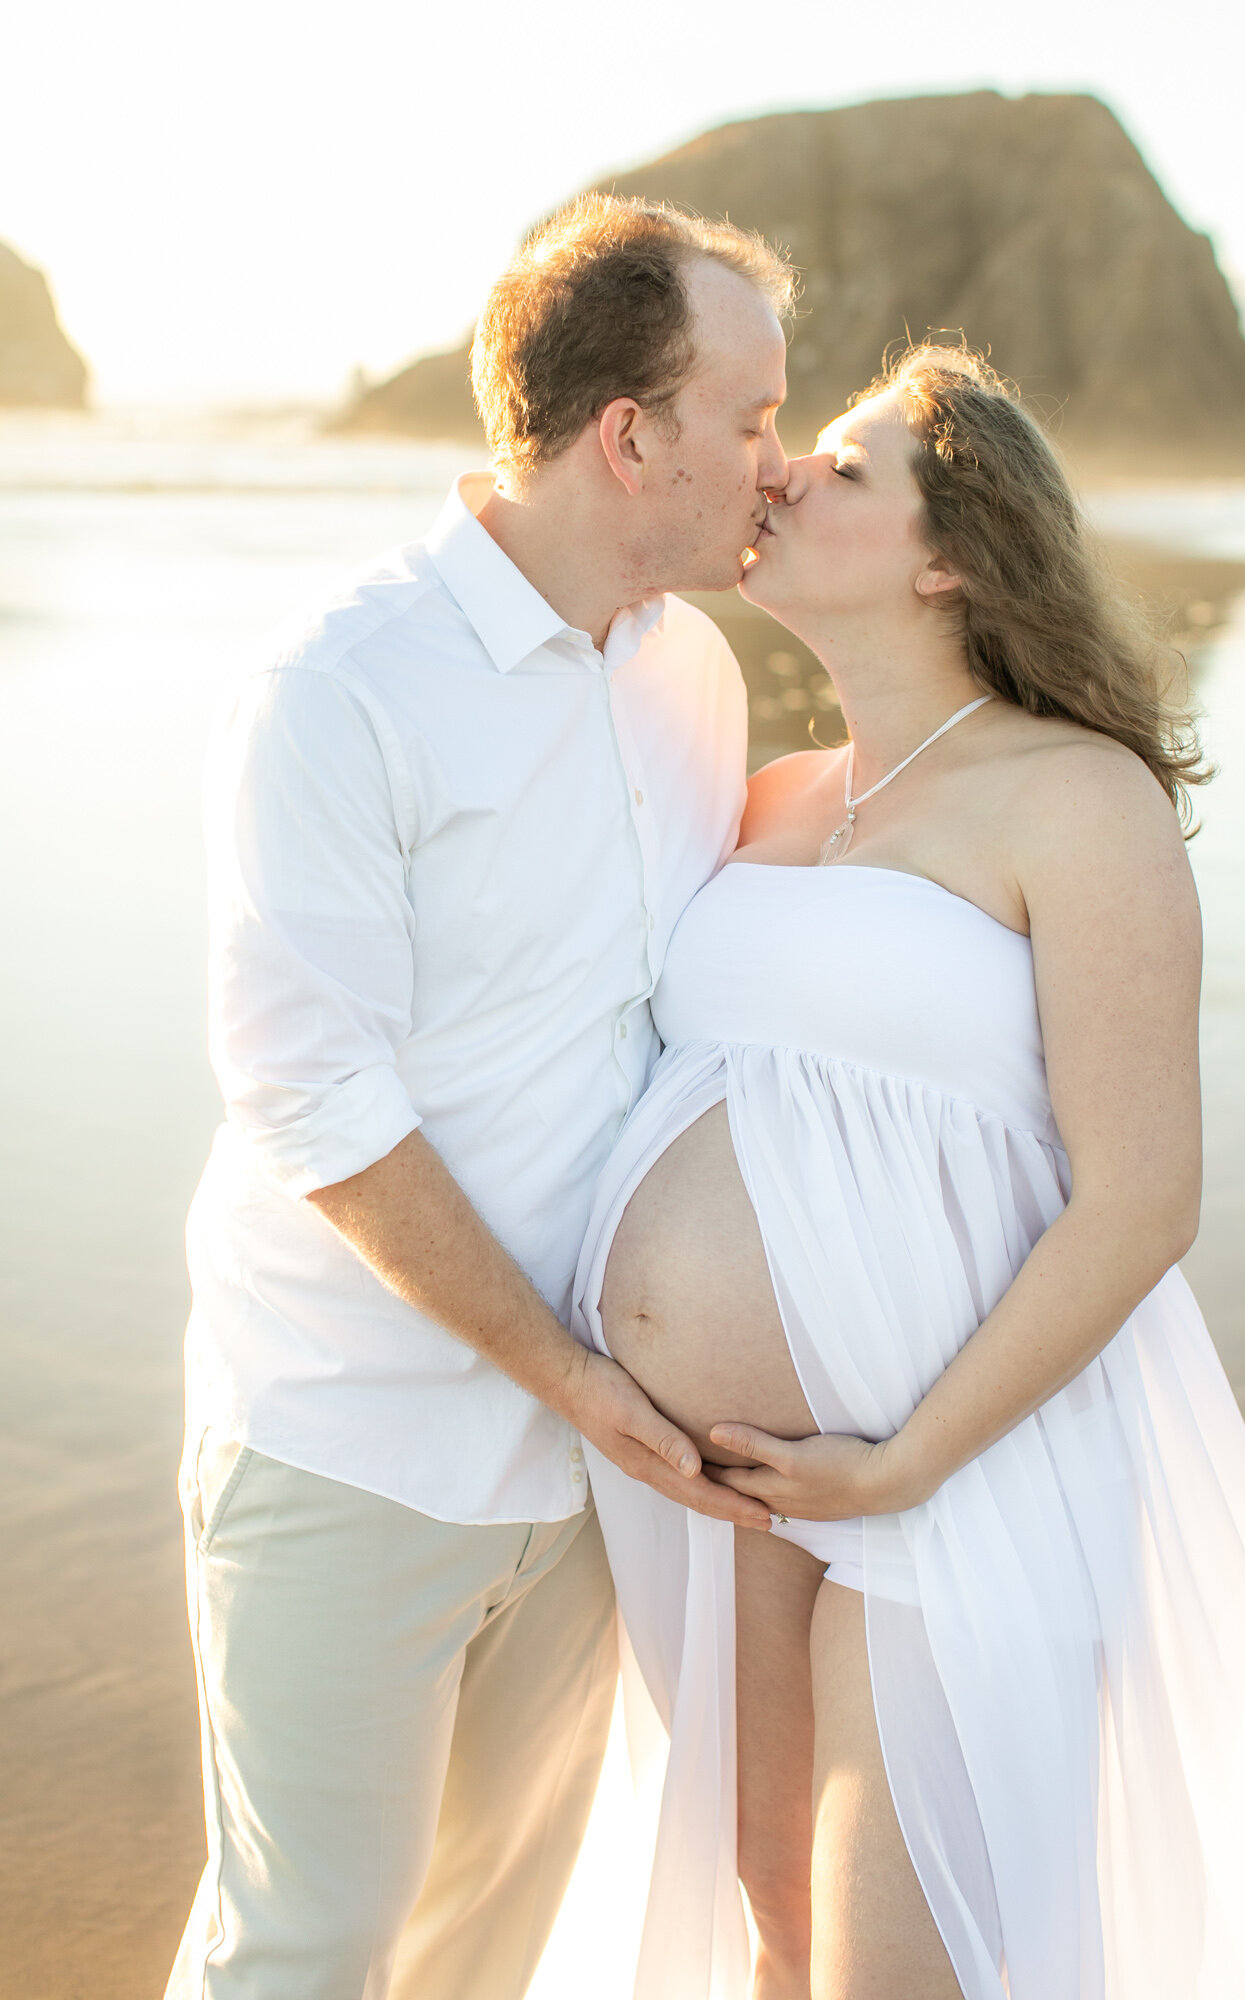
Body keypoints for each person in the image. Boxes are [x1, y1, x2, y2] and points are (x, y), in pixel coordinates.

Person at [573, 345, 1245, 2000]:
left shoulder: (1077, 796)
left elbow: (1144, 1195)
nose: (780, 476)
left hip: (961, 1471)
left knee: (891, 1969)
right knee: (771, 1937)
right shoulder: (768, 796)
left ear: (951, 555)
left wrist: (908, 1459)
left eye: (840, 467)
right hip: (735, 1492)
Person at [166, 193, 792, 2000]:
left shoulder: (685, 671)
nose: (778, 460)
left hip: (599, 1465)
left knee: (482, 1957)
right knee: (306, 1950)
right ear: (630, 435)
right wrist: (573, 1379)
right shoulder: (339, 693)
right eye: (749, 422)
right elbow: (315, 1103)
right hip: (351, 1437)